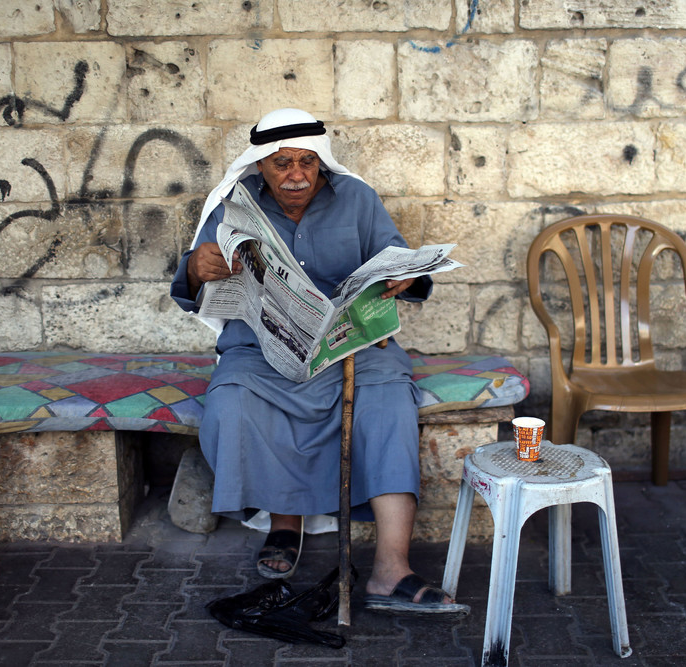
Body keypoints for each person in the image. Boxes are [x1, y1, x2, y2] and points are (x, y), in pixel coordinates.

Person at [170, 108, 468, 617]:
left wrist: (405, 278)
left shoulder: (357, 199)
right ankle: (286, 523)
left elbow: (403, 268)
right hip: (260, 347)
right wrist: (196, 269)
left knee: (389, 402)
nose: (297, 175)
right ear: (260, 165)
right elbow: (190, 288)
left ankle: (390, 569)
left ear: (321, 160)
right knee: (233, 403)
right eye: (282, 163)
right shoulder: (234, 207)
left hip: (352, 347)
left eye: (307, 161)